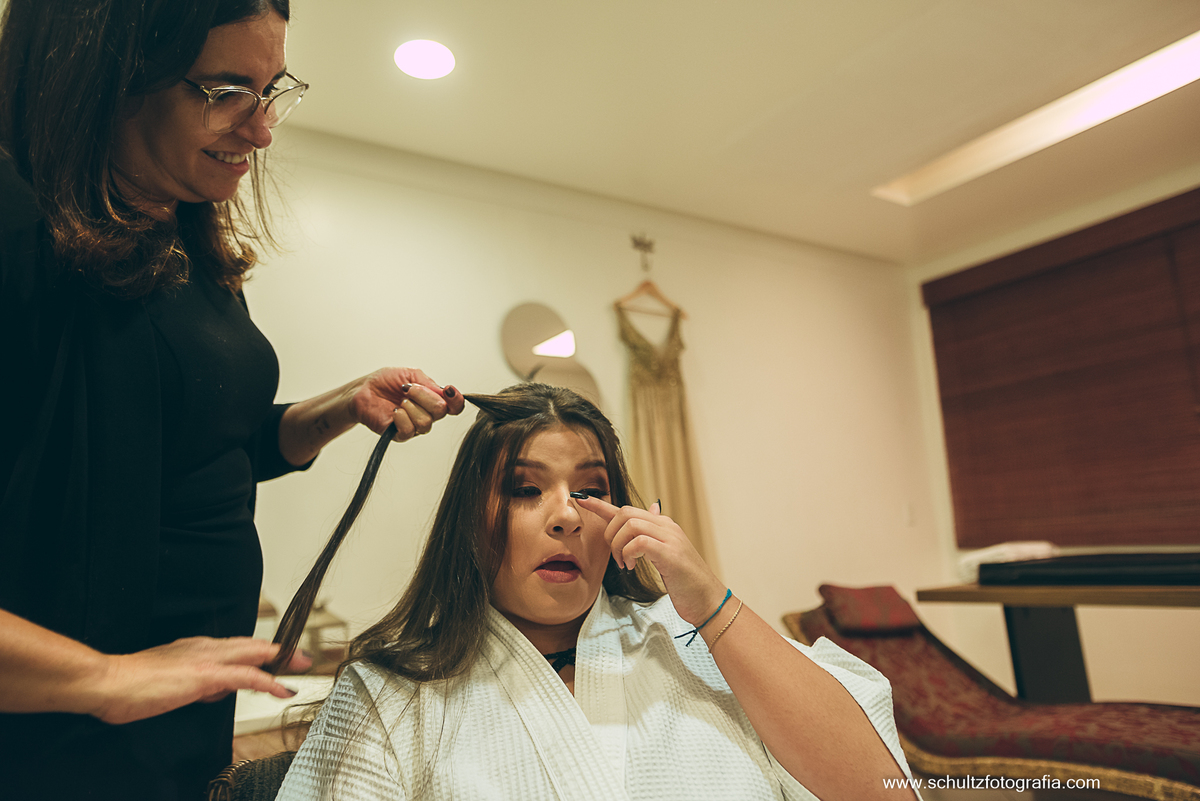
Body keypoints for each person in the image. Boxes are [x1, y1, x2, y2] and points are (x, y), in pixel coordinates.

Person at [0, 0, 464, 798]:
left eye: (271, 89)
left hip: (181, 730)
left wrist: (344, 406)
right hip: (58, 742)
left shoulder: (186, 249)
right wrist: (105, 677)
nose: (262, 130)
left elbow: (210, 444)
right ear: (109, 74)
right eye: (225, 91)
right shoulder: (17, 229)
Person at [276, 384, 919, 800]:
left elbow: (881, 791)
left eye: (590, 490)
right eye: (526, 489)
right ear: (470, 519)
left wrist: (711, 604)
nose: (566, 515)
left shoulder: (701, 646)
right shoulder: (392, 692)